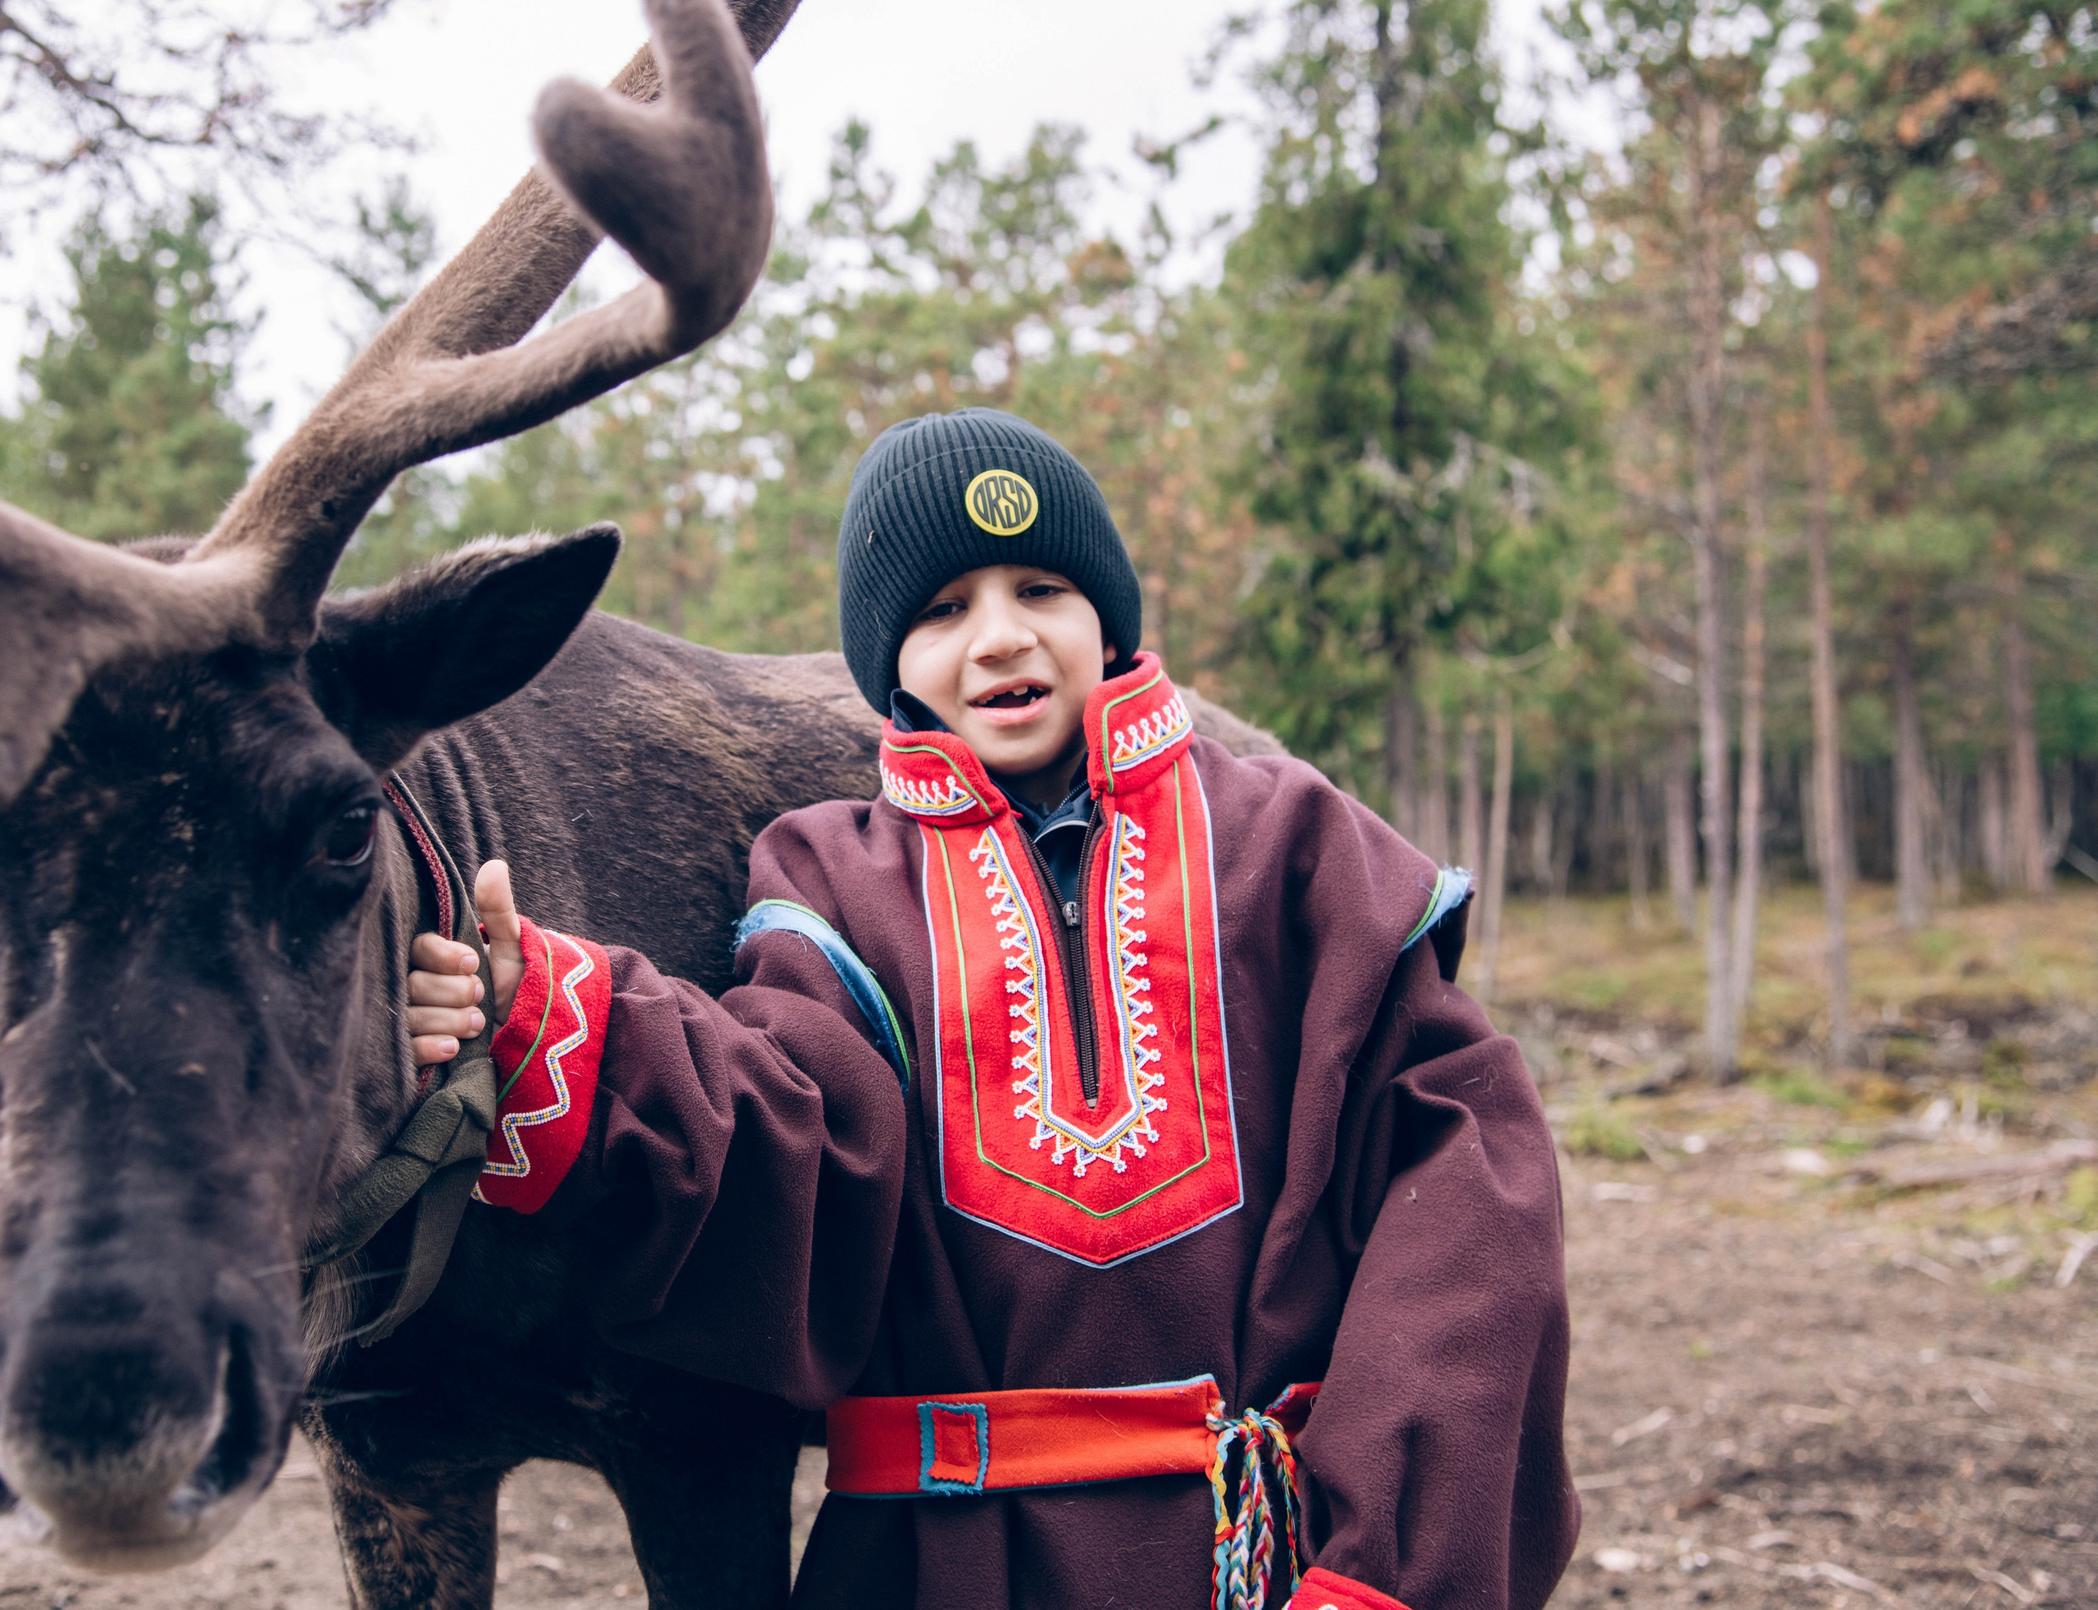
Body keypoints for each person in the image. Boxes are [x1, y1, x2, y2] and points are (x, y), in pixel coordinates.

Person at [404, 409, 1576, 1610]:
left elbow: (1465, 1212)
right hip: (939, 1568)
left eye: (1042, 588)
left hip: (1263, 1570)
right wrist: (550, 1018)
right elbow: (787, 1161)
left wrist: (1390, 1559)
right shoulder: (829, 884)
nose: (1000, 638)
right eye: (942, 609)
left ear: (1107, 614)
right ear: (884, 662)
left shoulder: (1295, 844)